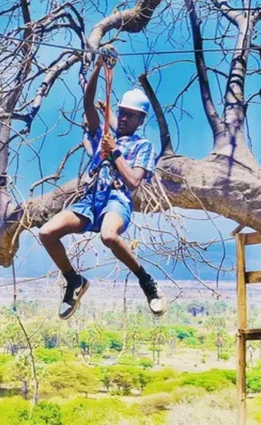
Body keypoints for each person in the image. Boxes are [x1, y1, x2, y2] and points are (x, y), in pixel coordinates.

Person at [39, 54, 167, 320]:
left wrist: (115, 152)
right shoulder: (102, 136)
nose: (123, 119)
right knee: (46, 233)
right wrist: (97, 66)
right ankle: (74, 281)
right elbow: (88, 102)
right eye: (121, 113)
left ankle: (146, 282)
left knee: (109, 236)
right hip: (90, 199)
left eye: (130, 116)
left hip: (117, 199)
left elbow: (133, 182)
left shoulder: (143, 146)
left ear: (140, 121)